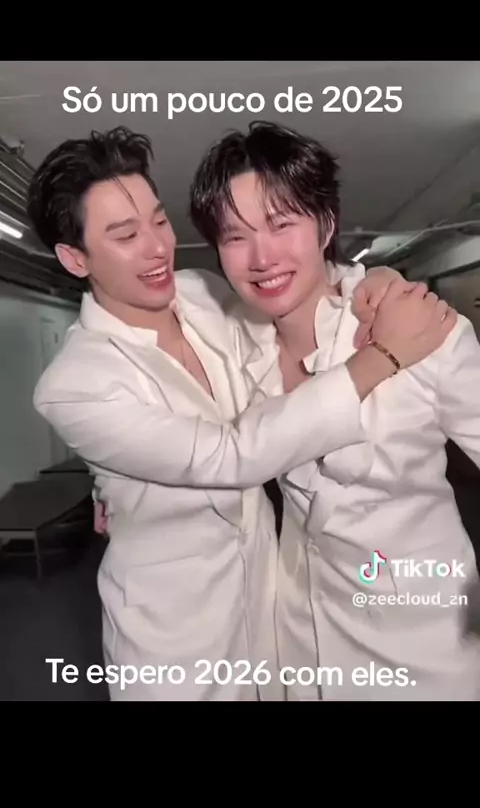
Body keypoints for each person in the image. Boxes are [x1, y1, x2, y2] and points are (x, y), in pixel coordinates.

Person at [28, 126, 455, 702]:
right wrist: (383, 357)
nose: (157, 248)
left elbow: (303, 287)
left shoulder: (203, 293)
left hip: (272, 611)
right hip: (174, 637)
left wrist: (379, 282)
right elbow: (229, 456)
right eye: (126, 235)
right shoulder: (73, 385)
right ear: (75, 257)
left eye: (159, 221)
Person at [189, 120, 480, 701]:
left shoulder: (419, 328)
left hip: (423, 638)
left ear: (325, 223)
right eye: (235, 237)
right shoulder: (233, 344)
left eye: (281, 224)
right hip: (303, 634)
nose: (262, 257)